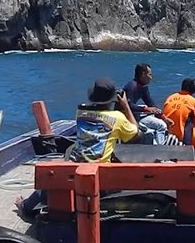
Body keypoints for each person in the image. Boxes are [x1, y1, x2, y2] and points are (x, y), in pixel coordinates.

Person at [15, 77, 140, 215]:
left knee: (53, 176)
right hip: (100, 180)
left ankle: (26, 206)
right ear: (113, 99)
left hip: (73, 173)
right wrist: (126, 106)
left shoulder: (80, 113)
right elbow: (135, 134)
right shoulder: (118, 118)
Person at [121, 63, 171, 145]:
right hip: (127, 117)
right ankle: (160, 151)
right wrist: (145, 109)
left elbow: (151, 104)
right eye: (150, 75)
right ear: (143, 74)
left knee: (162, 124)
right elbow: (128, 106)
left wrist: (164, 117)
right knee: (158, 128)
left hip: (136, 115)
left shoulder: (143, 87)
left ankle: (159, 148)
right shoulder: (131, 86)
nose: (151, 78)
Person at [162, 78, 195, 152]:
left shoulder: (170, 97)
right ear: (194, 89)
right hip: (180, 137)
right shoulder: (194, 101)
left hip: (165, 133)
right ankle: (190, 149)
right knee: (191, 121)